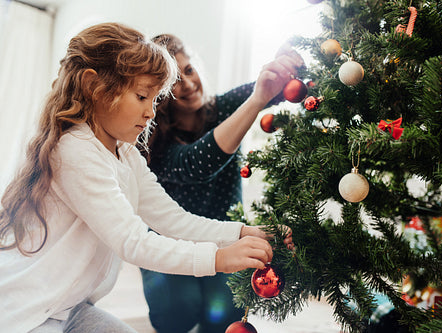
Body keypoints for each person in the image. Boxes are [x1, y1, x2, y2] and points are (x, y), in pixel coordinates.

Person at [0, 22, 293, 333]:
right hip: (26, 312)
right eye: (142, 97)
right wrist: (219, 258)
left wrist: (244, 232)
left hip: (71, 308)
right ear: (94, 88)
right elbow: (133, 242)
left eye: (154, 100)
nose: (151, 112)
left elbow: (172, 219)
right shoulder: (75, 150)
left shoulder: (125, 153)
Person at [140, 34, 303, 333]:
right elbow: (197, 164)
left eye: (188, 70)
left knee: (223, 318)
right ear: (157, 93)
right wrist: (256, 99)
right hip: (172, 243)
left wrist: (283, 67)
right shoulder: (153, 141)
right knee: (176, 315)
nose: (188, 84)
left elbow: (275, 90)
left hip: (227, 237)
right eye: (174, 80)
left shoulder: (223, 106)